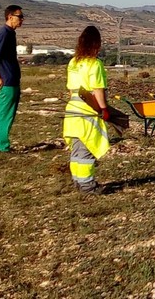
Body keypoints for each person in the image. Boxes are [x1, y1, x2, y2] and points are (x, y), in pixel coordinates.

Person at [63, 26, 111, 194]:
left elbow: (71, 89)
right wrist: (104, 109)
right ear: (96, 44)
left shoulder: (73, 62)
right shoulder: (95, 64)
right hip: (87, 111)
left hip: (72, 110)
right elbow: (98, 89)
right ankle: (87, 185)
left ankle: (77, 180)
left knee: (76, 149)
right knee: (87, 149)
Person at [0, 5, 24, 153]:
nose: (22, 19)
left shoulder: (11, 33)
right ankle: (1, 144)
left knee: (9, 113)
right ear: (10, 17)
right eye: (19, 16)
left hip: (12, 80)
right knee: (5, 113)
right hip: (7, 81)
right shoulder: (3, 33)